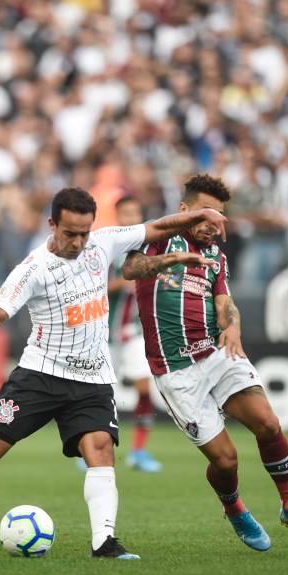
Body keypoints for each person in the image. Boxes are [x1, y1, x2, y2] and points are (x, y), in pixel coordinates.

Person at [0, 186, 225, 560]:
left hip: (92, 379)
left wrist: (200, 216)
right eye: (70, 233)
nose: (78, 241)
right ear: (52, 224)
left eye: (84, 232)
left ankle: (104, 542)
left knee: (100, 449)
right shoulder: (33, 269)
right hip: (40, 375)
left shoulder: (101, 244)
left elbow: (156, 227)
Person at [124, 174, 288, 552]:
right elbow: (130, 270)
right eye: (205, 215)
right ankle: (235, 509)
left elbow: (223, 301)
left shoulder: (215, 253)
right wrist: (175, 259)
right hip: (176, 370)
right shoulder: (158, 236)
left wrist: (232, 327)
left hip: (215, 354)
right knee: (226, 459)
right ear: (184, 210)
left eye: (219, 218)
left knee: (267, 423)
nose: (212, 225)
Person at [106, 195, 163, 472]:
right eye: (124, 213)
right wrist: (123, 281)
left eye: (133, 213)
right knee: (100, 395)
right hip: (105, 335)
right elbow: (94, 290)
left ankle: (138, 451)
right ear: (118, 216)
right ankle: (90, 450)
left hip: (135, 332)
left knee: (144, 388)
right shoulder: (108, 249)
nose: (129, 218)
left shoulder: (149, 249)